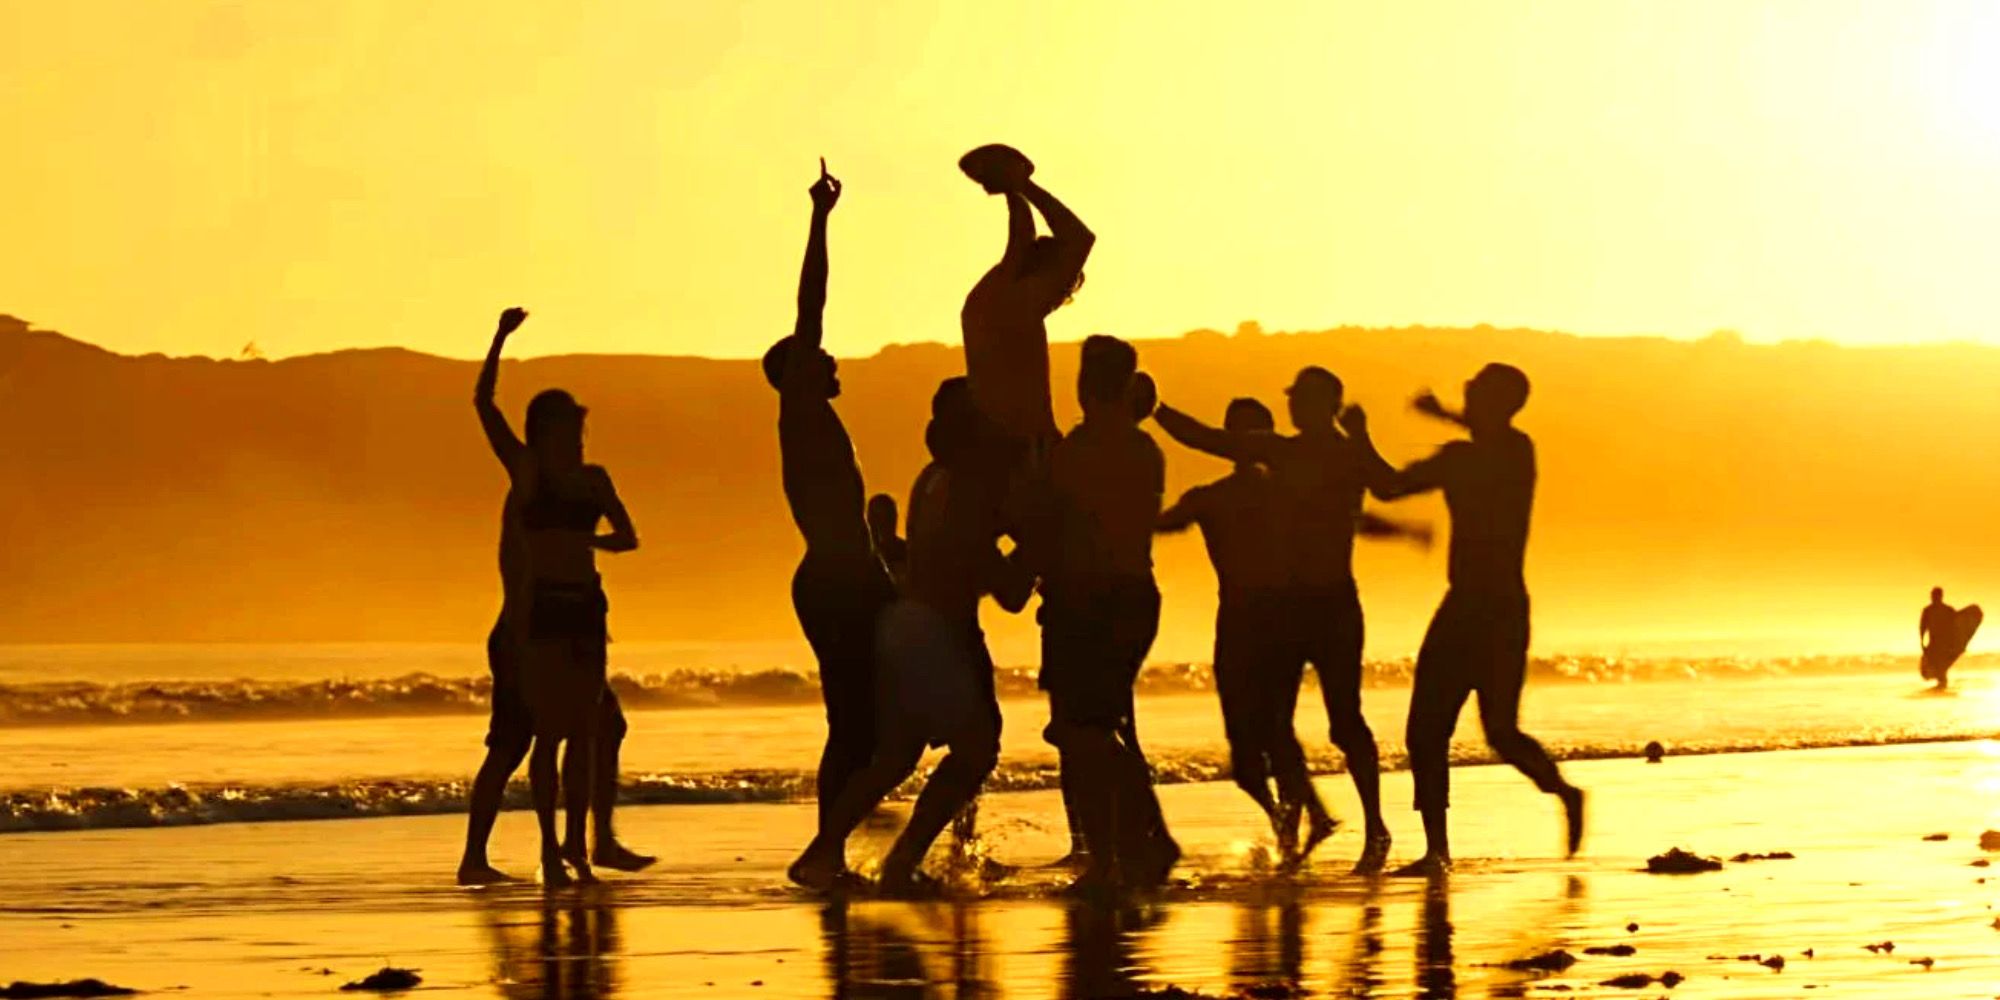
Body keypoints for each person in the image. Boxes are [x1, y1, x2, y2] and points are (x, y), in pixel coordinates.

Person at [1153, 367, 1406, 873]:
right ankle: (1308, 823)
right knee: (1276, 725)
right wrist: (1159, 411)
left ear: (1323, 404)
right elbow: (1211, 441)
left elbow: (1390, 487)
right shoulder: (1285, 451)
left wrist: (1156, 408)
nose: (1292, 407)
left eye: (1301, 400)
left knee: (1344, 720)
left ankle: (1376, 827)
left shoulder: (1312, 453)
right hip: (1294, 608)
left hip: (1331, 602)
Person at [789, 378, 1032, 895]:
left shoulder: (933, 478)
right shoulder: (968, 490)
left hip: (906, 626)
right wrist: (1038, 546)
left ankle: (824, 850)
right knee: (977, 750)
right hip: (944, 635)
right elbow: (1008, 591)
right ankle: (902, 859)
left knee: (897, 755)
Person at [1344, 364, 1584, 875]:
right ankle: (1437, 850)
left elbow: (1478, 448)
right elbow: (1387, 487)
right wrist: (1365, 440)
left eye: (1473, 391)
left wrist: (1366, 435)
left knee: (1499, 731)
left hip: (1498, 608)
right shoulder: (1467, 456)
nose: (1465, 394)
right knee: (1426, 731)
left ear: (1499, 403)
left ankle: (1564, 792)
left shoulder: (1514, 452)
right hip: (1464, 606)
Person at [459, 307, 651, 887]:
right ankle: (515, 854)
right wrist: (498, 339)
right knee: (521, 740)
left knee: (593, 726)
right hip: (531, 618)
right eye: (566, 428)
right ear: (544, 432)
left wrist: (588, 541)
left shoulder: (593, 478)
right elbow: (484, 408)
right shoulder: (528, 469)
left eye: (579, 429)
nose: (576, 438)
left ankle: (583, 846)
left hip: (584, 611)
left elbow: (628, 536)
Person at [764, 161, 901, 880]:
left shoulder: (820, 417)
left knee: (887, 719)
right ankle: (827, 852)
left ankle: (852, 844)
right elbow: (809, 306)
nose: (831, 356)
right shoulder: (802, 411)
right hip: (833, 579)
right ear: (796, 372)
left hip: (858, 576)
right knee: (855, 721)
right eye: (818, 357)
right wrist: (820, 220)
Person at [1156, 398, 1320, 858]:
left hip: (1254, 625)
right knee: (1266, 743)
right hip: (1270, 623)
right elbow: (1164, 522)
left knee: (1256, 748)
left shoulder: (1224, 497)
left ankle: (1297, 824)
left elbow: (1160, 524)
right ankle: (1297, 821)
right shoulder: (1233, 497)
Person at [1042, 335, 1175, 892]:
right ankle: (1113, 853)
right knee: (1097, 727)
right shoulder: (1140, 448)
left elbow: (1067, 523)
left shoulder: (1083, 451)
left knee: (1082, 729)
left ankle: (1141, 840)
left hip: (1096, 600)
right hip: (1129, 596)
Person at [958, 144, 1094, 452]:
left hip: (986, 445)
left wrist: (1012, 190)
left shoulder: (986, 295)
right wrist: (1022, 185)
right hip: (1024, 449)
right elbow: (1080, 239)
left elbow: (1021, 235)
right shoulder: (1022, 304)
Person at [1920, 587, 1982, 690]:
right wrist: (1922, 643)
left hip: (1944, 644)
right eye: (1932, 595)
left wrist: (1960, 643)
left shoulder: (1946, 610)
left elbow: (1957, 625)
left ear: (1940, 596)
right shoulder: (1928, 611)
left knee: (1941, 668)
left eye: (1935, 595)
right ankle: (1941, 688)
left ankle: (1941, 689)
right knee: (1932, 669)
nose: (1933, 597)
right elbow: (1922, 627)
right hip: (1934, 643)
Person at [868, 494, 909, 591]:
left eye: (887, 517)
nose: (883, 523)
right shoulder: (866, 556)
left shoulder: (908, 552)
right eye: (878, 517)